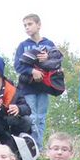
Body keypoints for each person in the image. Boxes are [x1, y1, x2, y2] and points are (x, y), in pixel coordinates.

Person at [14, 14, 57, 147]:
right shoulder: (23, 45)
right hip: (28, 88)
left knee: (41, 117)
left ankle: (39, 146)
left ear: (39, 25)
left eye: (30, 24)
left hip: (44, 87)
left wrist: (48, 58)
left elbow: (57, 62)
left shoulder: (49, 44)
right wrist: (32, 71)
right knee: (31, 117)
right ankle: (33, 146)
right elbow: (18, 66)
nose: (27, 27)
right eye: (25, 25)